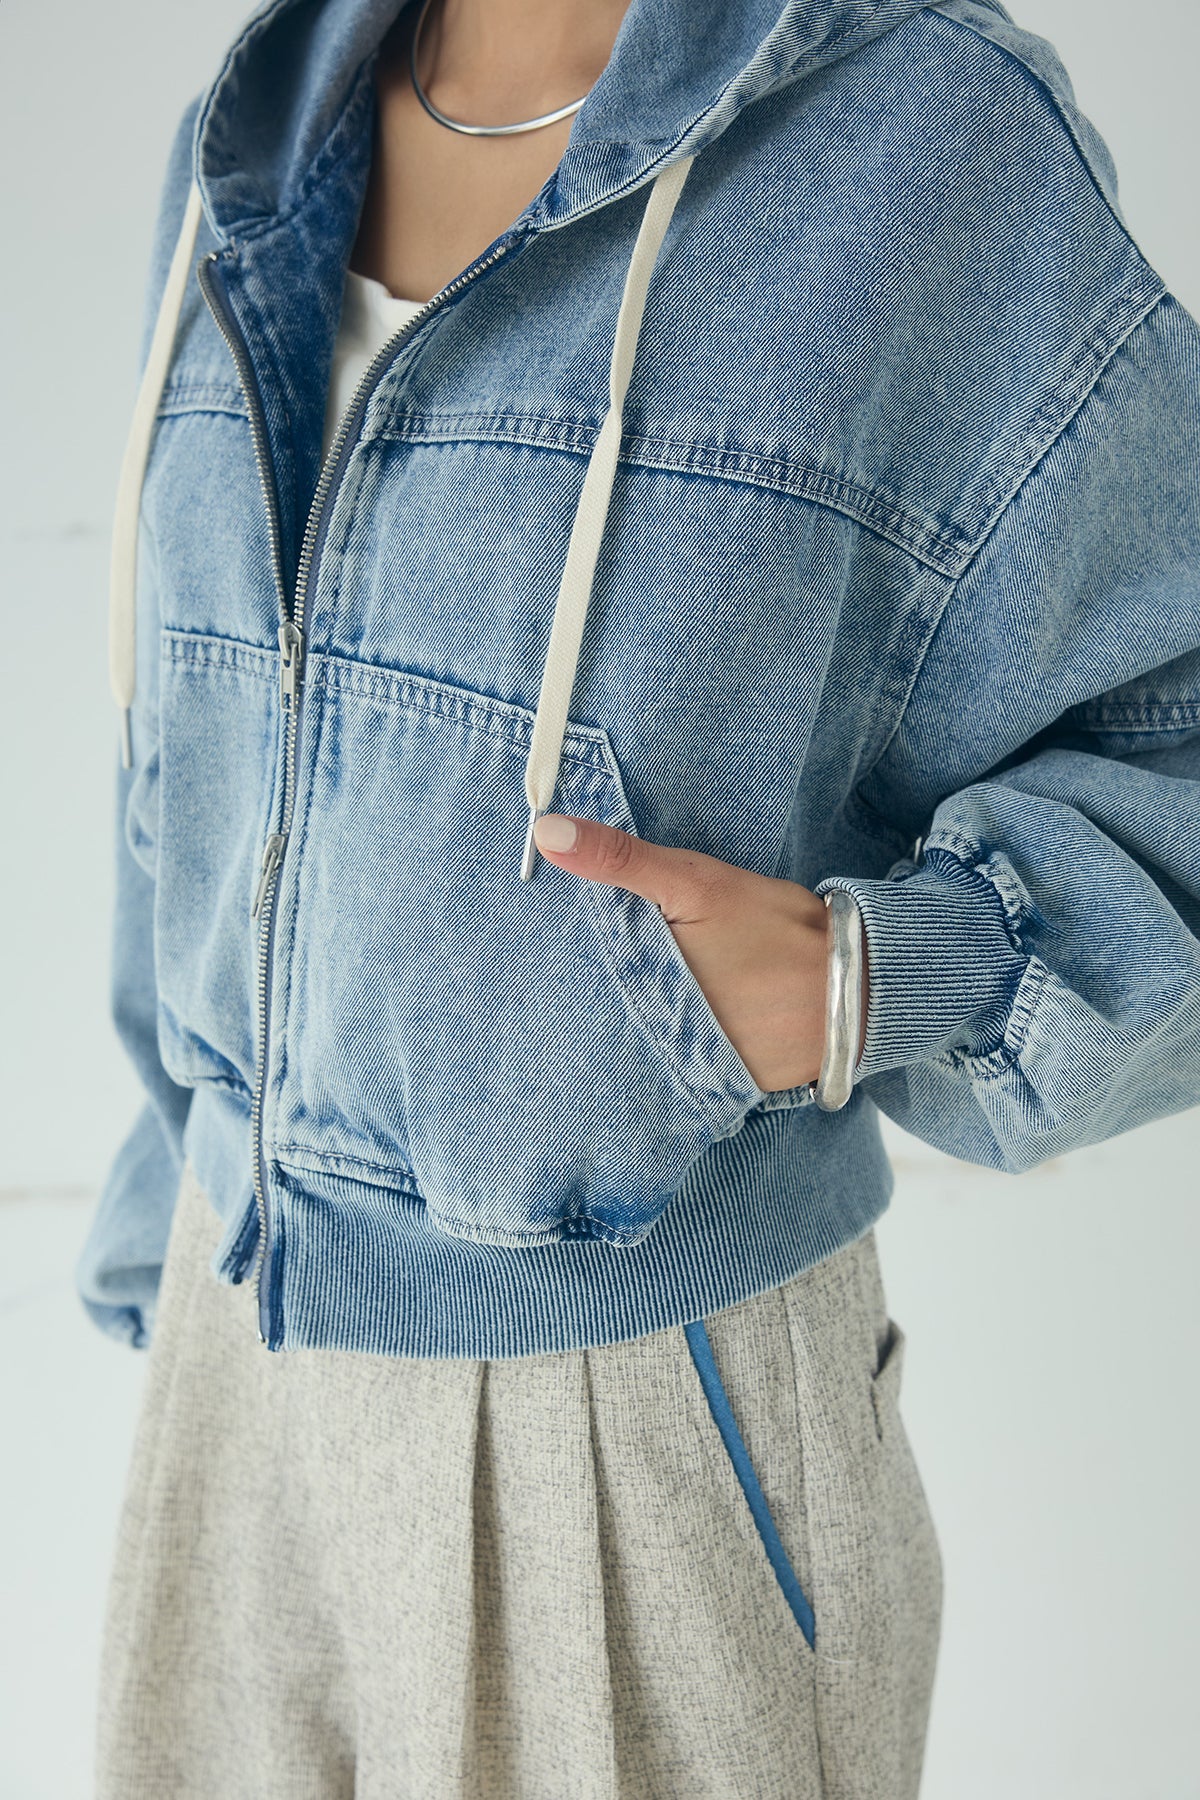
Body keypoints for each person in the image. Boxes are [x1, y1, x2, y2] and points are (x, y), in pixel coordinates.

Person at [82, 0, 1200, 1793]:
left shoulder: (931, 137)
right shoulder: (255, 125)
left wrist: (882, 972)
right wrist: (170, 1220)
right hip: (233, 1392)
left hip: (636, 1430)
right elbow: (189, 766)